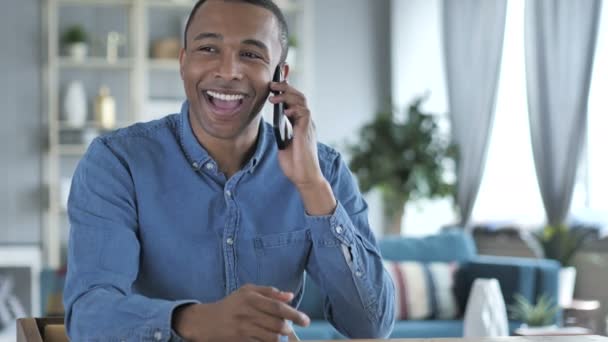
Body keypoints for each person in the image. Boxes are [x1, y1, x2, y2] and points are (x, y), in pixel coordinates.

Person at [63, 0, 395, 341]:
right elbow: (89, 318)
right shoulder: (117, 163)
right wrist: (197, 321)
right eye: (208, 49)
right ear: (183, 62)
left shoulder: (323, 170)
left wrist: (311, 185)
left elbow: (370, 326)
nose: (228, 71)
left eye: (251, 55)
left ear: (280, 76)